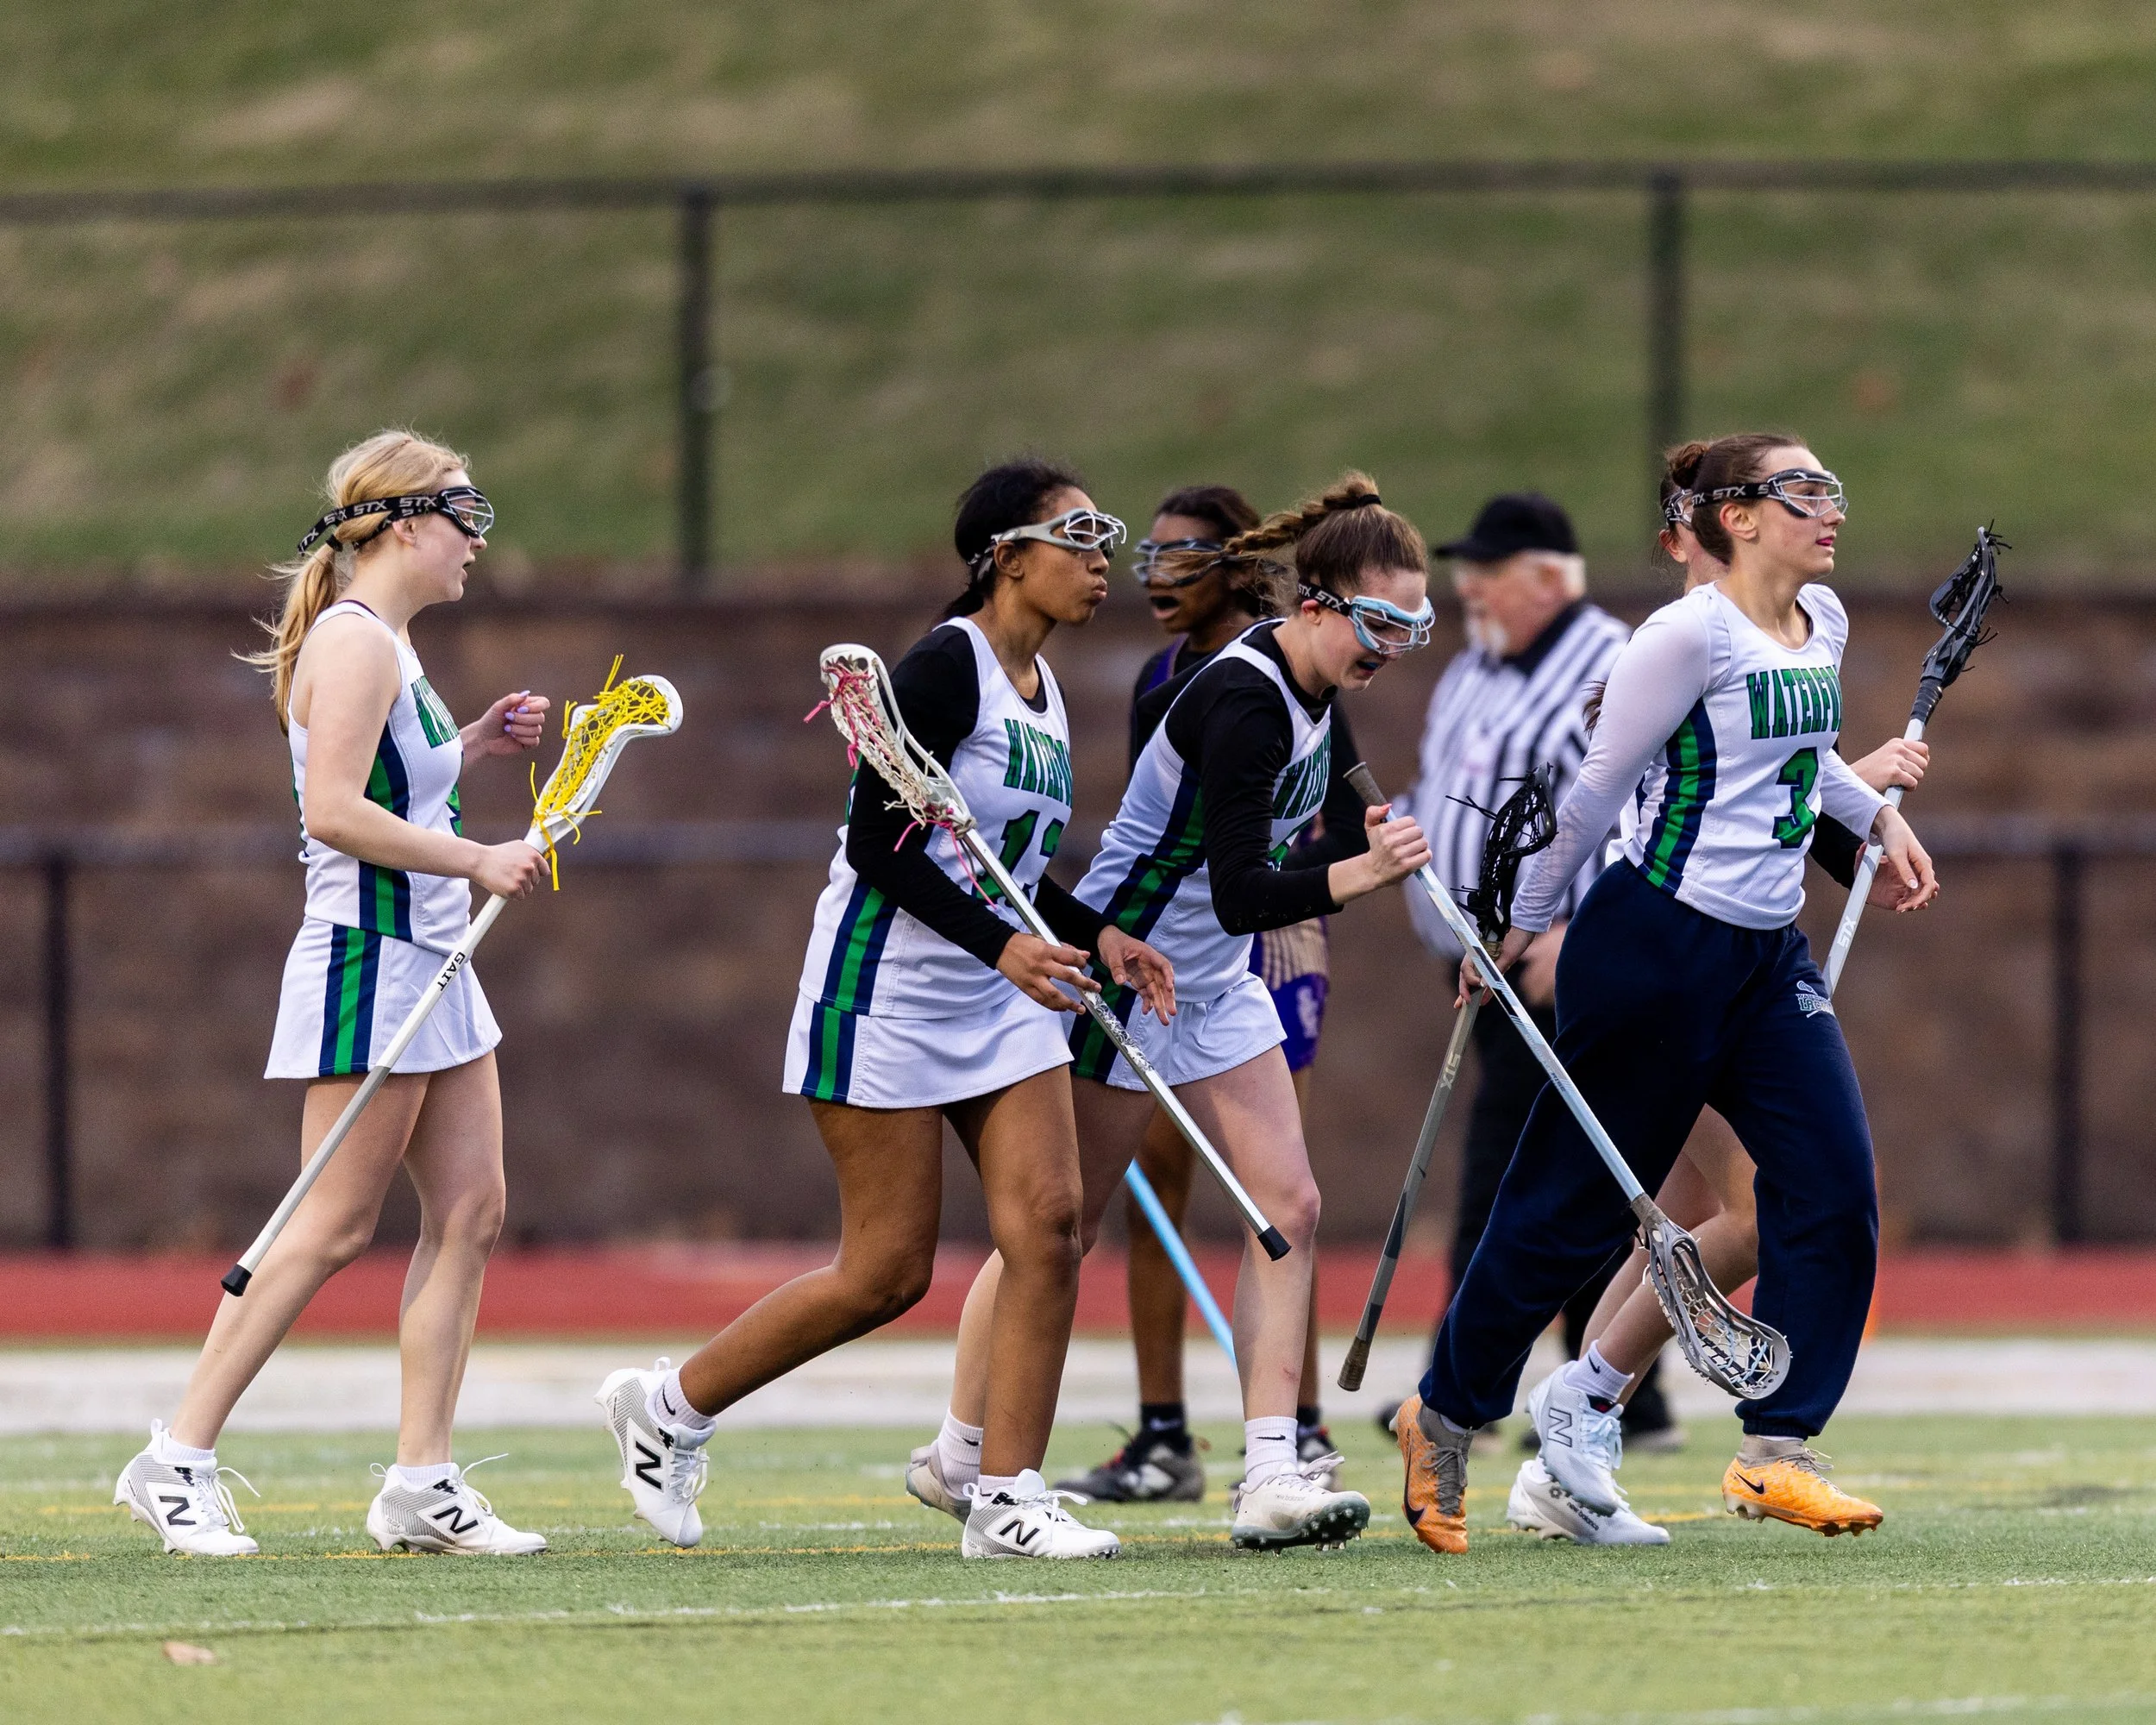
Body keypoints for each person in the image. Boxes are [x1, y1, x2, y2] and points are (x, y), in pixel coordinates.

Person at [596, 459, 1174, 1561]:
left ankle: (1006, 1496)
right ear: (1007, 555)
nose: (1103, 555)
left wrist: (1091, 929)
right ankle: (668, 1406)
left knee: (1050, 1228)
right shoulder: (944, 667)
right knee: (886, 1271)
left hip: (1000, 996)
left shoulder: (1044, 697)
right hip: (885, 990)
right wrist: (1006, 943)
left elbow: (999, 863)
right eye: (1078, 533)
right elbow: (880, 842)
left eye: (1108, 532)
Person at [1398, 431, 1940, 1555]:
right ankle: (1442, 1413)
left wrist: (1872, 814)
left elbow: (1805, 756)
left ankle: (1777, 1449)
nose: (1829, 508)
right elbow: (1595, 795)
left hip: (1763, 956)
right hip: (1652, 948)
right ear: (1737, 515)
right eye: (1802, 491)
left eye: (1832, 487)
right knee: (1566, 1212)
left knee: (1832, 1182)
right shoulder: (1685, 635)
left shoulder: (1821, 624)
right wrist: (1520, 930)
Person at [918, 474, 1436, 1552]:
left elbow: (1321, 828)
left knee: (1285, 1203)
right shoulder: (1246, 699)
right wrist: (1360, 875)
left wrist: (1408, 866)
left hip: (1215, 981)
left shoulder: (1315, 688)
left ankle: (1266, 1473)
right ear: (1319, 605)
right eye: (1380, 622)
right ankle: (961, 1449)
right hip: (1126, 976)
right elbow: (1248, 887)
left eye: (1414, 625)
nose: (1392, 645)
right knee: (1056, 1229)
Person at [114, 430, 555, 1557]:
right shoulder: (355, 644)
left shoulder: (392, 647)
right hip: (374, 957)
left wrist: (469, 747)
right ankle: (176, 1460)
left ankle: (422, 1481)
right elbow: (335, 815)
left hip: (433, 959)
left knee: (471, 1213)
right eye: (470, 517)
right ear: (410, 522)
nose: (478, 544)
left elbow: (390, 781)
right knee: (329, 1226)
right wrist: (479, 855)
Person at [1054, 484, 1341, 1506]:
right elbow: (1176, 846)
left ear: (1236, 563)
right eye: (1154, 554)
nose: (1158, 575)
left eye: (1184, 555)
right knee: (1075, 1215)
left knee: (1285, 1199)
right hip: (1156, 956)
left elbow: (1333, 811)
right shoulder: (1196, 683)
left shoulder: (1319, 668)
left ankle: (1285, 1443)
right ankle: (1125, 1432)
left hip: (1253, 945)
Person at [1390, 493, 1671, 1447]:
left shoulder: (1614, 661)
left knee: (1517, 1175)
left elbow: (1647, 805)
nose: (1469, 587)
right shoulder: (1474, 665)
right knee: (1567, 1173)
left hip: (1559, 967)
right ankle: (1623, 1390)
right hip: (1480, 965)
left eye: (1492, 570)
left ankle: (1458, 1388)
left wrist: (1573, 934)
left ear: (1550, 577)